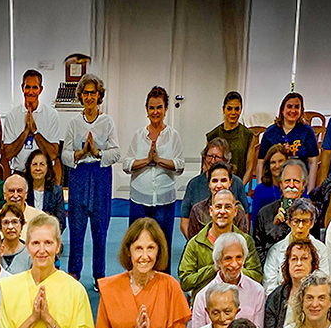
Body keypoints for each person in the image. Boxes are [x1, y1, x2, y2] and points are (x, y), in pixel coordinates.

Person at [62, 74, 120, 282]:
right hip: (79, 175)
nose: (89, 97)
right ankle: (74, 273)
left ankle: (99, 276)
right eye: (85, 93)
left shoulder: (107, 122)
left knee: (100, 228)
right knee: (76, 227)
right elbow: (65, 155)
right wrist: (79, 153)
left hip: (100, 174)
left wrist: (97, 152)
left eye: (92, 93)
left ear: (99, 95)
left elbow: (116, 152)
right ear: (81, 96)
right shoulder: (74, 123)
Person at [123, 86, 182, 252]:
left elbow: (180, 166)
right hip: (139, 200)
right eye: (151, 108)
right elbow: (127, 165)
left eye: (159, 107)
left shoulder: (173, 135)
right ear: (147, 110)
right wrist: (147, 161)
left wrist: (159, 161)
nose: (155, 112)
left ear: (166, 109)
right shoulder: (138, 135)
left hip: (164, 200)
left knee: (163, 247)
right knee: (137, 245)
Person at [179, 190, 254, 299]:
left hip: (240, 301)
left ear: (235, 211)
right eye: (218, 207)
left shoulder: (246, 241)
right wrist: (214, 268)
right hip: (205, 302)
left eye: (227, 207)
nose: (222, 211)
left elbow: (256, 275)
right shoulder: (195, 243)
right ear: (211, 211)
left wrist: (231, 268)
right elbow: (185, 282)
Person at [189, 231, 266, 328]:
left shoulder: (257, 291)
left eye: (239, 257)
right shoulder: (202, 297)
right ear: (218, 261)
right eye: (228, 258)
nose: (234, 264)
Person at [1, 68, 63, 178]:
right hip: (20, 174)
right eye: (27, 87)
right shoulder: (12, 115)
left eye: (35, 88)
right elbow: (8, 154)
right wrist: (25, 132)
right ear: (22, 88)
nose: (30, 92)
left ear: (40, 89)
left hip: (43, 175)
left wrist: (35, 132)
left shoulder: (51, 114)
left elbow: (53, 154)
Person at [263, 238, 320, 328]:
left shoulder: (325, 293)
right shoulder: (276, 297)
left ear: (312, 264)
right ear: (287, 264)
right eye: (294, 259)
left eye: (304, 259)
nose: (298, 263)